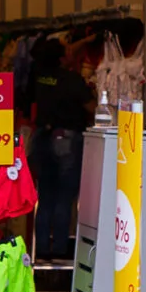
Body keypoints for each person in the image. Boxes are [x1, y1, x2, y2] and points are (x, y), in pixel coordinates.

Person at [29, 38, 94, 261]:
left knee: (45, 196)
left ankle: (42, 250)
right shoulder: (72, 80)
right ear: (60, 57)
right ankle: (59, 250)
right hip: (67, 138)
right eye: (67, 50)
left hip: (43, 137)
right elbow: (91, 106)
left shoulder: (38, 76)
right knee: (64, 197)